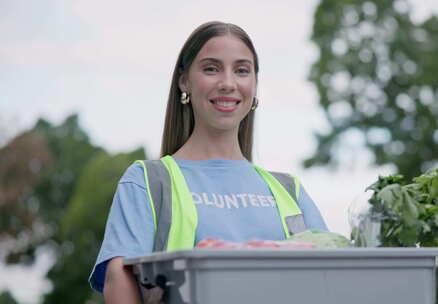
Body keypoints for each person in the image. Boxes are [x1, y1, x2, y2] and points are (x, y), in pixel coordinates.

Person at [88, 21, 328, 303]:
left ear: (254, 85)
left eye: (241, 70)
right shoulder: (147, 183)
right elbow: (119, 280)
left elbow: (330, 280)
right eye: (211, 68)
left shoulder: (290, 192)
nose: (228, 83)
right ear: (184, 81)